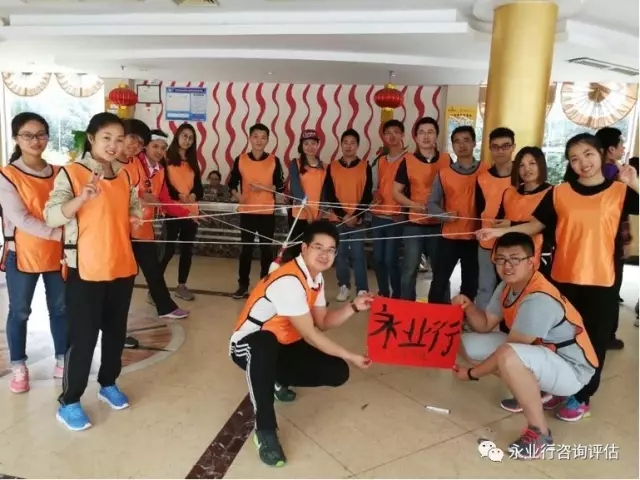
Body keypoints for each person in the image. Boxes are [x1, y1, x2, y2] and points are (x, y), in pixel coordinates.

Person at [477, 133, 639, 422]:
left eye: (588, 154)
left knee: (592, 341)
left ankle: (582, 396)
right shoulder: (559, 193)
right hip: (562, 278)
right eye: (574, 159)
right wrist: (498, 232)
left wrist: (635, 183)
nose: (582, 163)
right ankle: (551, 387)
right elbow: (534, 226)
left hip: (602, 280)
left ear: (601, 154)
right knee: (554, 338)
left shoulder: (620, 191)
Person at [229, 220, 372, 467]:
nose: (325, 255)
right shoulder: (289, 280)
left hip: (284, 343)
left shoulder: (316, 279)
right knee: (264, 343)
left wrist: (354, 307)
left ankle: (275, 378)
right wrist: (351, 355)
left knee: (338, 372)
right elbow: (312, 335)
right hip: (249, 345)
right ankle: (265, 431)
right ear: (304, 248)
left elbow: (322, 323)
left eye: (331, 250)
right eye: (319, 247)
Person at [453, 232, 597, 459]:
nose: (507, 266)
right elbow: (485, 325)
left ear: (531, 262)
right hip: (546, 356)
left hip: (573, 371)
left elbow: (509, 353)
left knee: (509, 358)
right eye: (500, 259)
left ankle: (540, 433)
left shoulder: (538, 297)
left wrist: (471, 374)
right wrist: (468, 306)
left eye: (515, 259)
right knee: (468, 345)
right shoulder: (507, 286)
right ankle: (533, 391)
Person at [44, 112, 142, 431]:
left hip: (121, 266)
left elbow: (132, 206)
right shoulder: (72, 173)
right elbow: (52, 216)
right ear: (91, 138)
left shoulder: (125, 175)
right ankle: (70, 401)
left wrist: (135, 215)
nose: (114, 145)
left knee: (115, 334)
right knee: (83, 338)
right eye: (106, 138)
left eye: (119, 139)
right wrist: (81, 198)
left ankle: (108, 383)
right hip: (85, 269)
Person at [0, 112, 66, 393]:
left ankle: (63, 359)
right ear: (16, 138)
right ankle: (18, 366)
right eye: (27, 135)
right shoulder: (7, 175)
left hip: (58, 254)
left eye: (40, 134)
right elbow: (21, 219)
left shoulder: (60, 173)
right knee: (19, 311)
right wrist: (61, 234)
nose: (35, 140)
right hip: (22, 254)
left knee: (61, 309)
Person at [132, 129, 190, 320]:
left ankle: (165, 307)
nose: (159, 151)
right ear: (145, 146)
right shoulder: (132, 163)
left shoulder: (161, 170)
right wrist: (142, 196)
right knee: (124, 274)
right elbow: (123, 191)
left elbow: (164, 200)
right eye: (155, 146)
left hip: (144, 230)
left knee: (153, 270)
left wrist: (188, 214)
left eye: (163, 148)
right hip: (124, 229)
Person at [392, 117, 451, 300]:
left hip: (439, 225)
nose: (426, 136)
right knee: (409, 269)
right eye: (422, 132)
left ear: (436, 136)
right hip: (414, 224)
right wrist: (414, 205)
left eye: (430, 132)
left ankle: (440, 308)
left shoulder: (447, 160)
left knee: (441, 270)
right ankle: (407, 307)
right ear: (416, 137)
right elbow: (396, 192)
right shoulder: (407, 161)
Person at [427, 125, 486, 304]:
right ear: (452, 146)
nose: (462, 145)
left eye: (466, 140)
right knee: (439, 281)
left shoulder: (486, 170)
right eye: (457, 141)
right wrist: (445, 215)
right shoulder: (444, 173)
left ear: (474, 143)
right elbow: (431, 204)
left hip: (476, 237)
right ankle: (432, 316)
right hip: (449, 237)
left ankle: (463, 317)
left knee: (470, 283)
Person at [228, 123, 285, 299]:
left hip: (267, 212)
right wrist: (238, 196)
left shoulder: (274, 160)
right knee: (246, 250)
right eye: (255, 136)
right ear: (250, 138)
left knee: (266, 251)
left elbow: (280, 186)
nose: (259, 140)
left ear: (267, 140)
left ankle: (264, 286)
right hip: (247, 212)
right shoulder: (240, 159)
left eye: (263, 137)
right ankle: (243, 285)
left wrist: (264, 188)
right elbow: (232, 183)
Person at [324, 129, 372, 301]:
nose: (349, 146)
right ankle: (344, 286)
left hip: (358, 220)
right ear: (341, 144)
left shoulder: (365, 166)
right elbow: (330, 194)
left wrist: (355, 215)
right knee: (340, 254)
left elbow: (367, 195)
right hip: (337, 219)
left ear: (357, 146)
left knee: (358, 254)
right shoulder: (332, 166)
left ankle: (362, 289)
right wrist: (343, 215)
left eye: (352, 143)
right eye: (345, 142)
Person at [159, 123, 203, 302]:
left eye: (191, 138)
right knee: (167, 250)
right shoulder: (165, 158)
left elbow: (199, 187)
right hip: (172, 211)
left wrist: (193, 195)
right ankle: (155, 288)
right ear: (177, 136)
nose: (187, 140)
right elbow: (164, 185)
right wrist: (178, 196)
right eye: (184, 136)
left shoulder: (193, 162)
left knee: (187, 250)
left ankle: (182, 285)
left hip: (191, 213)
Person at [494, 147, 553, 277]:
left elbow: (545, 226)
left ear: (541, 165)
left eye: (532, 163)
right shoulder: (509, 192)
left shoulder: (552, 193)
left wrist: (511, 224)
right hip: (507, 255)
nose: (527, 169)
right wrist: (497, 225)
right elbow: (500, 219)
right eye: (521, 165)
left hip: (536, 257)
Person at [475, 128, 515, 310]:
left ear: (513, 147)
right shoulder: (482, 178)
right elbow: (478, 209)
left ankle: (510, 322)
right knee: (485, 286)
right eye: (496, 147)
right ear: (490, 149)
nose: (500, 151)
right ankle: (483, 321)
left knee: (512, 286)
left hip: (514, 241)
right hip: (487, 241)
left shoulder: (522, 176)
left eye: (505, 146)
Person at [369, 119, 406, 299]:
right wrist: (375, 195)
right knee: (378, 259)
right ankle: (384, 292)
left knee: (391, 260)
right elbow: (374, 187)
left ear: (402, 134)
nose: (392, 136)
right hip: (378, 216)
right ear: (383, 136)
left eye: (396, 132)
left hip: (395, 217)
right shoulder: (380, 160)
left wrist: (404, 212)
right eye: (388, 133)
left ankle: (397, 295)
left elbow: (412, 189)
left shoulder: (409, 159)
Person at [287, 129, 326, 259]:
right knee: (298, 252)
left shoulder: (325, 167)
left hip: (317, 216)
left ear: (318, 144)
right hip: (299, 214)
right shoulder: (295, 163)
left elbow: (325, 193)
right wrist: (308, 212)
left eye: (313, 143)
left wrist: (320, 214)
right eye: (306, 143)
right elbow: (296, 190)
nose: (310, 147)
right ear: (301, 146)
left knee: (313, 252)